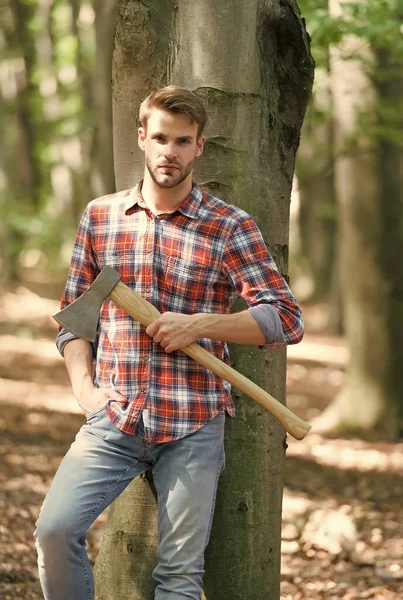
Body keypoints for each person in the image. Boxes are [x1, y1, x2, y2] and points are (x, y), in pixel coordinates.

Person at [34, 86, 304, 600]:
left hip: (193, 424)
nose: (169, 152)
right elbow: (74, 321)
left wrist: (199, 325)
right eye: (160, 138)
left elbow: (285, 319)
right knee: (54, 530)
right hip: (115, 415)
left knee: (179, 577)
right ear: (142, 138)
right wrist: (85, 390)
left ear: (200, 146)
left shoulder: (229, 226)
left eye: (183, 141)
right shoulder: (101, 217)